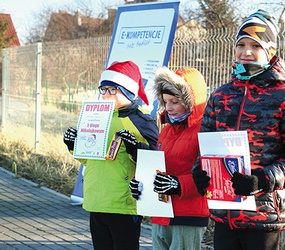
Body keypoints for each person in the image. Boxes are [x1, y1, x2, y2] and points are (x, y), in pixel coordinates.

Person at [191, 9, 285, 250]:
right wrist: (200, 172)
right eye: (241, 44)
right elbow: (204, 145)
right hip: (225, 212)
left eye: (255, 46)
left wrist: (263, 179)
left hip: (264, 216)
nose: (246, 52)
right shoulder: (221, 95)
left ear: (269, 51)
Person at [63, 60, 159, 250]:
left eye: (112, 90)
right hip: (96, 200)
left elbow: (156, 161)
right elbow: (89, 158)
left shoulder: (142, 120)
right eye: (103, 89)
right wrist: (74, 145)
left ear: (129, 91)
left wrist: (134, 148)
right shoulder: (97, 116)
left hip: (123, 203)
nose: (106, 95)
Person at [132, 66, 210, 250]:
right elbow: (159, 167)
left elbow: (209, 175)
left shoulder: (204, 130)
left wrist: (178, 184)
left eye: (174, 101)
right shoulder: (166, 130)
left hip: (187, 216)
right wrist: (140, 183)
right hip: (160, 213)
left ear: (191, 101)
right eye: (165, 101)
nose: (168, 108)